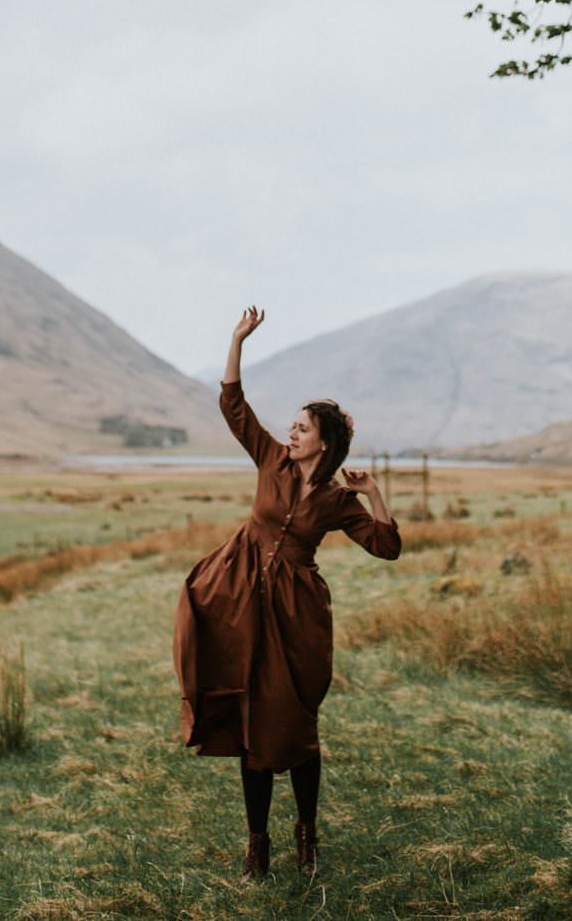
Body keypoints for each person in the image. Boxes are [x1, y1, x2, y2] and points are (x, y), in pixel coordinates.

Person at [173, 306, 401, 882]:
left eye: (302, 429)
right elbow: (233, 404)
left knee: (297, 725)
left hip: (297, 615)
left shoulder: (336, 500)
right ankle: (258, 846)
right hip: (240, 599)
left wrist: (375, 494)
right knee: (250, 723)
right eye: (293, 427)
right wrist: (237, 340)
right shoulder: (269, 458)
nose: (291, 433)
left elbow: (386, 547)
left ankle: (307, 835)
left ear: (323, 443)